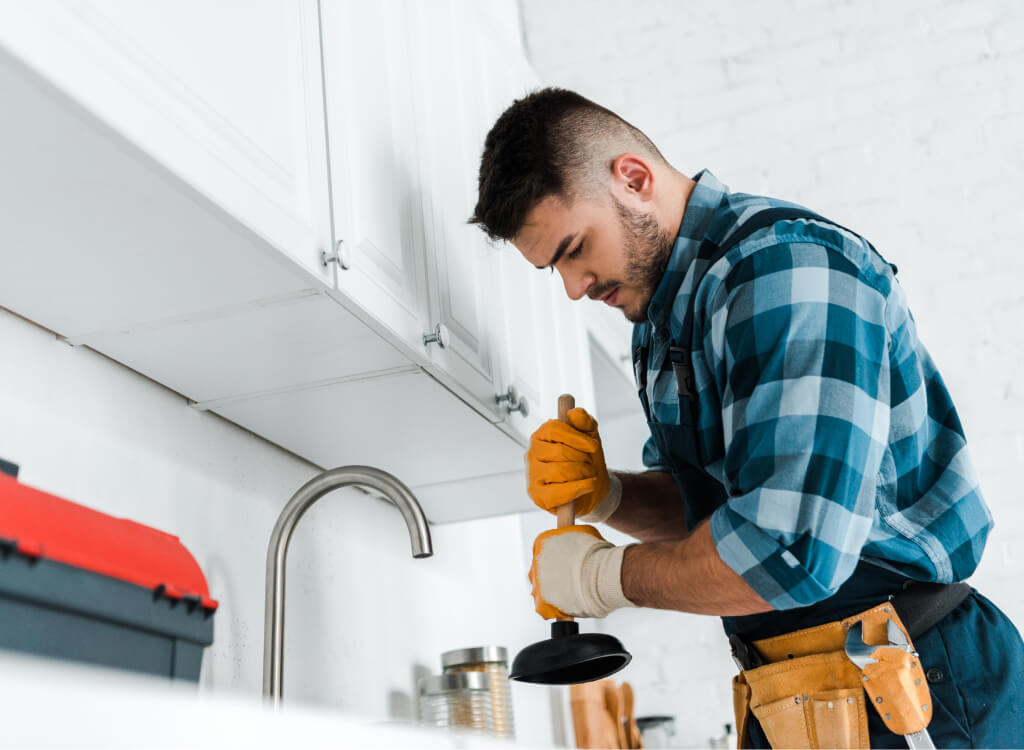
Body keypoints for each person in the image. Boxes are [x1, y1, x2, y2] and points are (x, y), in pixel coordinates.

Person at [470, 87, 1024, 749]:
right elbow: (714, 518)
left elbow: (789, 552)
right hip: (800, 692)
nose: (573, 286)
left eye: (574, 247)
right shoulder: (666, 319)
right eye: (554, 268)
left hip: (908, 685)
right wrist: (607, 493)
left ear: (634, 179)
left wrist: (600, 578)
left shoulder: (783, 272)